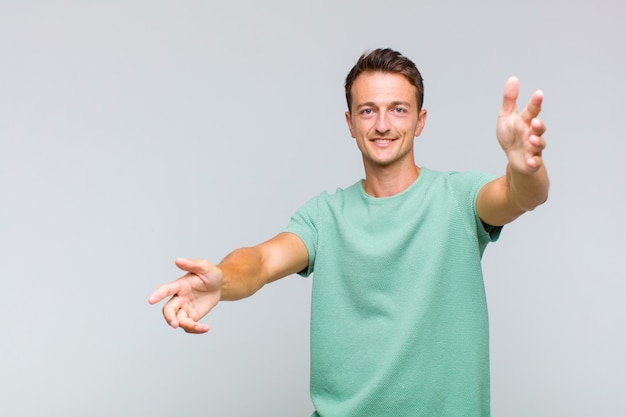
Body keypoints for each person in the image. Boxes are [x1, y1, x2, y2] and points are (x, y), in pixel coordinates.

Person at [148, 48, 549, 416]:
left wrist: (525, 167)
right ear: (351, 123)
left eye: (398, 110)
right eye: (368, 111)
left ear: (420, 121)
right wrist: (222, 279)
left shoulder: (457, 197)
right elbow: (261, 260)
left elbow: (520, 196)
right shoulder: (325, 216)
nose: (383, 124)